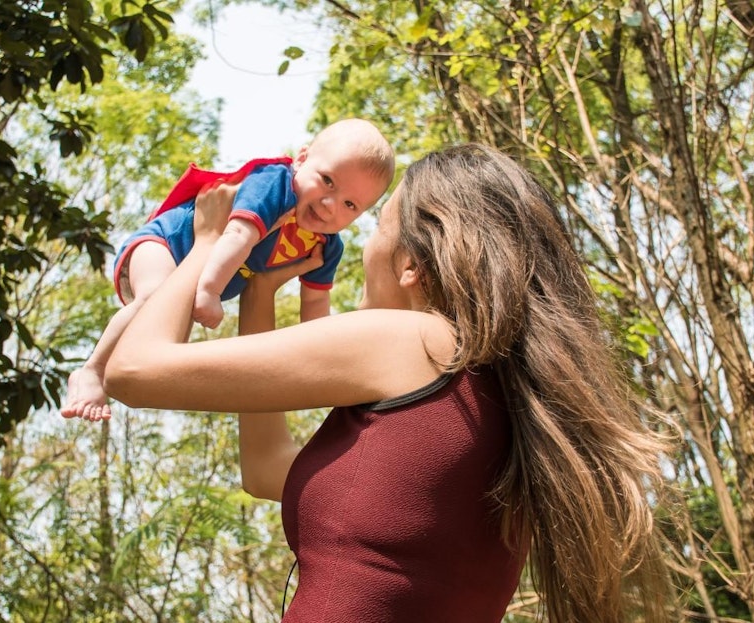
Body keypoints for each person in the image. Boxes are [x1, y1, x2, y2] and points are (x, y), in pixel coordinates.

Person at [102, 144, 674, 621]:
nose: (362, 245)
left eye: (377, 225)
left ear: (411, 265)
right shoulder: (498, 398)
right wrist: (260, 288)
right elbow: (267, 469)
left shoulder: (415, 341)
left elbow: (134, 371)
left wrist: (207, 242)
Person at [61, 118, 395, 421]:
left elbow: (315, 304)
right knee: (153, 297)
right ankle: (92, 370)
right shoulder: (275, 184)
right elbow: (237, 234)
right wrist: (210, 290)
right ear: (302, 159)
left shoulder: (325, 246)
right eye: (327, 181)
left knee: (166, 343)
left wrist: (322, 359)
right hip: (166, 243)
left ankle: (114, 375)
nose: (330, 204)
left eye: (350, 204)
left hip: (193, 275)